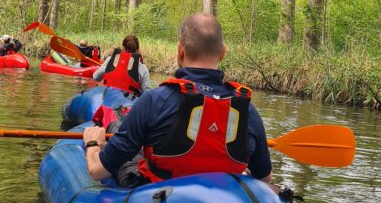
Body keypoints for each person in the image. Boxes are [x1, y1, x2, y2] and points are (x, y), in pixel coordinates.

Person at [83, 13, 271, 187]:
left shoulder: (154, 101)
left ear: (180, 50)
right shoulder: (247, 111)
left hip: (158, 200)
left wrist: (93, 143)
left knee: (117, 129)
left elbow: (97, 170)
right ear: (223, 52)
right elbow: (264, 180)